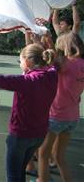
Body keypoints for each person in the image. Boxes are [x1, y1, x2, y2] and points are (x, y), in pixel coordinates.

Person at [0, 43, 57, 182]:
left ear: (28, 61)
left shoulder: (26, 81)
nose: (20, 65)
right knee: (20, 171)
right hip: (39, 134)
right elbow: (54, 62)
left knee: (13, 176)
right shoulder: (52, 75)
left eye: (21, 61)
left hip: (20, 136)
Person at [38, 32, 84, 182]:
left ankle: (42, 180)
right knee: (59, 157)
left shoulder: (66, 63)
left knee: (43, 153)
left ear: (65, 46)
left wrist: (45, 40)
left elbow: (52, 60)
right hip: (73, 117)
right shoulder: (81, 63)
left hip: (57, 116)